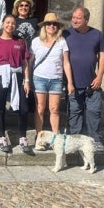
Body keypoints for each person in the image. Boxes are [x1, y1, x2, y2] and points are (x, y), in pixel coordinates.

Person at [0, 14, 33, 154]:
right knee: (0, 108)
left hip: (17, 76)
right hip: (2, 76)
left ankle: (23, 137)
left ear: (15, 25)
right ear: (2, 24)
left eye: (13, 23)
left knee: (23, 109)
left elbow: (24, 63)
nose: (10, 25)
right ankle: (2, 138)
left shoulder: (20, 42)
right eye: (7, 22)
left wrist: (27, 81)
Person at [63, 6, 104, 151]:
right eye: (73, 17)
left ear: (86, 20)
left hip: (92, 83)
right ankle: (75, 141)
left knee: (93, 112)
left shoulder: (97, 35)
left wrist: (100, 76)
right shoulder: (66, 34)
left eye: (78, 18)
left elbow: (102, 56)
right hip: (73, 84)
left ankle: (94, 140)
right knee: (74, 113)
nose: (74, 20)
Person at [30, 12, 74, 151]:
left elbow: (66, 63)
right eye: (48, 24)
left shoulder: (62, 42)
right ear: (44, 26)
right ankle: (40, 138)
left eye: (54, 24)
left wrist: (70, 82)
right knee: (40, 109)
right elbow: (30, 62)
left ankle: (56, 139)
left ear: (58, 27)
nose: (51, 26)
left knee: (54, 109)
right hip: (39, 78)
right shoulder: (36, 41)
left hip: (56, 79)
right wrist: (27, 79)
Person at [12, 0, 39, 112]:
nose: (23, 7)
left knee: (31, 80)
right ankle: (18, 106)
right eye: (21, 5)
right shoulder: (14, 21)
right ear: (17, 8)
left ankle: (31, 107)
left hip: (32, 55)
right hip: (18, 55)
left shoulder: (35, 21)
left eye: (26, 5)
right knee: (19, 80)